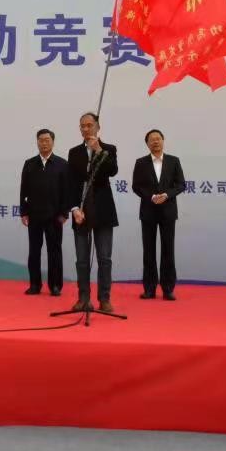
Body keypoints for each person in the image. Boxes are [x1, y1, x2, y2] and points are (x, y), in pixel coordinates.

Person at [67, 112, 118, 313]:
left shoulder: (108, 149)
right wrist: (74, 209)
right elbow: (71, 183)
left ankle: (104, 298)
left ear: (98, 126)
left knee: (104, 258)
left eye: (89, 125)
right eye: (83, 126)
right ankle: (83, 298)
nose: (86, 129)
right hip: (81, 211)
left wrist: (97, 150)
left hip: (103, 210)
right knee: (81, 259)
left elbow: (112, 170)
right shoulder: (74, 152)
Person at [130, 128, 185, 301]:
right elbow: (136, 186)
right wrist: (151, 196)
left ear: (163, 140)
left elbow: (181, 184)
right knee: (149, 251)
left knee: (168, 250)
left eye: (158, 138)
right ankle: (149, 288)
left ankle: (168, 289)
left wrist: (167, 195)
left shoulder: (174, 161)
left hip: (168, 211)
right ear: (147, 144)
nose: (155, 141)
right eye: (152, 139)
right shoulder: (141, 162)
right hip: (148, 211)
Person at [18, 128, 68, 296]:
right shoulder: (29, 163)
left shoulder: (62, 164)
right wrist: (23, 212)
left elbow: (66, 191)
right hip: (34, 215)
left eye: (47, 140)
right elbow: (24, 190)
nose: (44, 143)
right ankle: (35, 284)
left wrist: (64, 213)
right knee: (34, 251)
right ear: (37, 142)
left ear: (53, 142)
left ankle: (55, 285)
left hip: (55, 216)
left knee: (55, 251)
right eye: (41, 140)